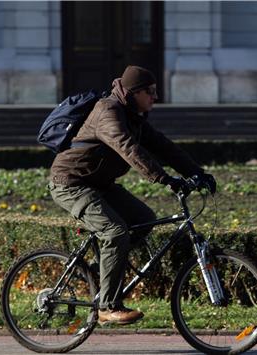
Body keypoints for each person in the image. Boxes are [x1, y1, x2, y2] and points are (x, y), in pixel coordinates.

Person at [48, 65, 216, 325]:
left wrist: (198, 173)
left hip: (98, 183)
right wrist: (165, 179)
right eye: (150, 92)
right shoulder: (109, 111)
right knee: (115, 232)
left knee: (143, 218)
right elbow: (127, 148)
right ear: (134, 92)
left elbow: (164, 147)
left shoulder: (133, 115)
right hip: (71, 183)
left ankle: (96, 272)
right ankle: (107, 306)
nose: (155, 97)